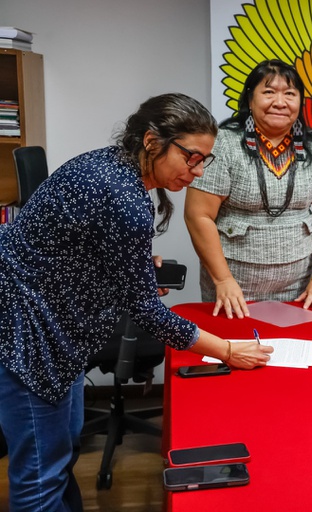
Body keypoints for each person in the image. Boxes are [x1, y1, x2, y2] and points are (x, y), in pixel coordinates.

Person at [0, 93, 272, 511]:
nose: (196, 172)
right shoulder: (124, 197)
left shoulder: (107, 163)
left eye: (205, 161)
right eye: (191, 158)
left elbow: (76, 247)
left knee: (58, 456)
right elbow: (146, 310)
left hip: (49, 325)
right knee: (40, 476)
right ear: (151, 141)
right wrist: (227, 351)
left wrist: (132, 265)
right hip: (30, 333)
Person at [185, 60, 312, 319]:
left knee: (295, 354)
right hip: (234, 285)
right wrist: (223, 280)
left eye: (290, 94)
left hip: (300, 287)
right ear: (250, 99)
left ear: (300, 102)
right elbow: (198, 215)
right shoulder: (223, 142)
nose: (280, 102)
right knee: (231, 353)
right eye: (269, 92)